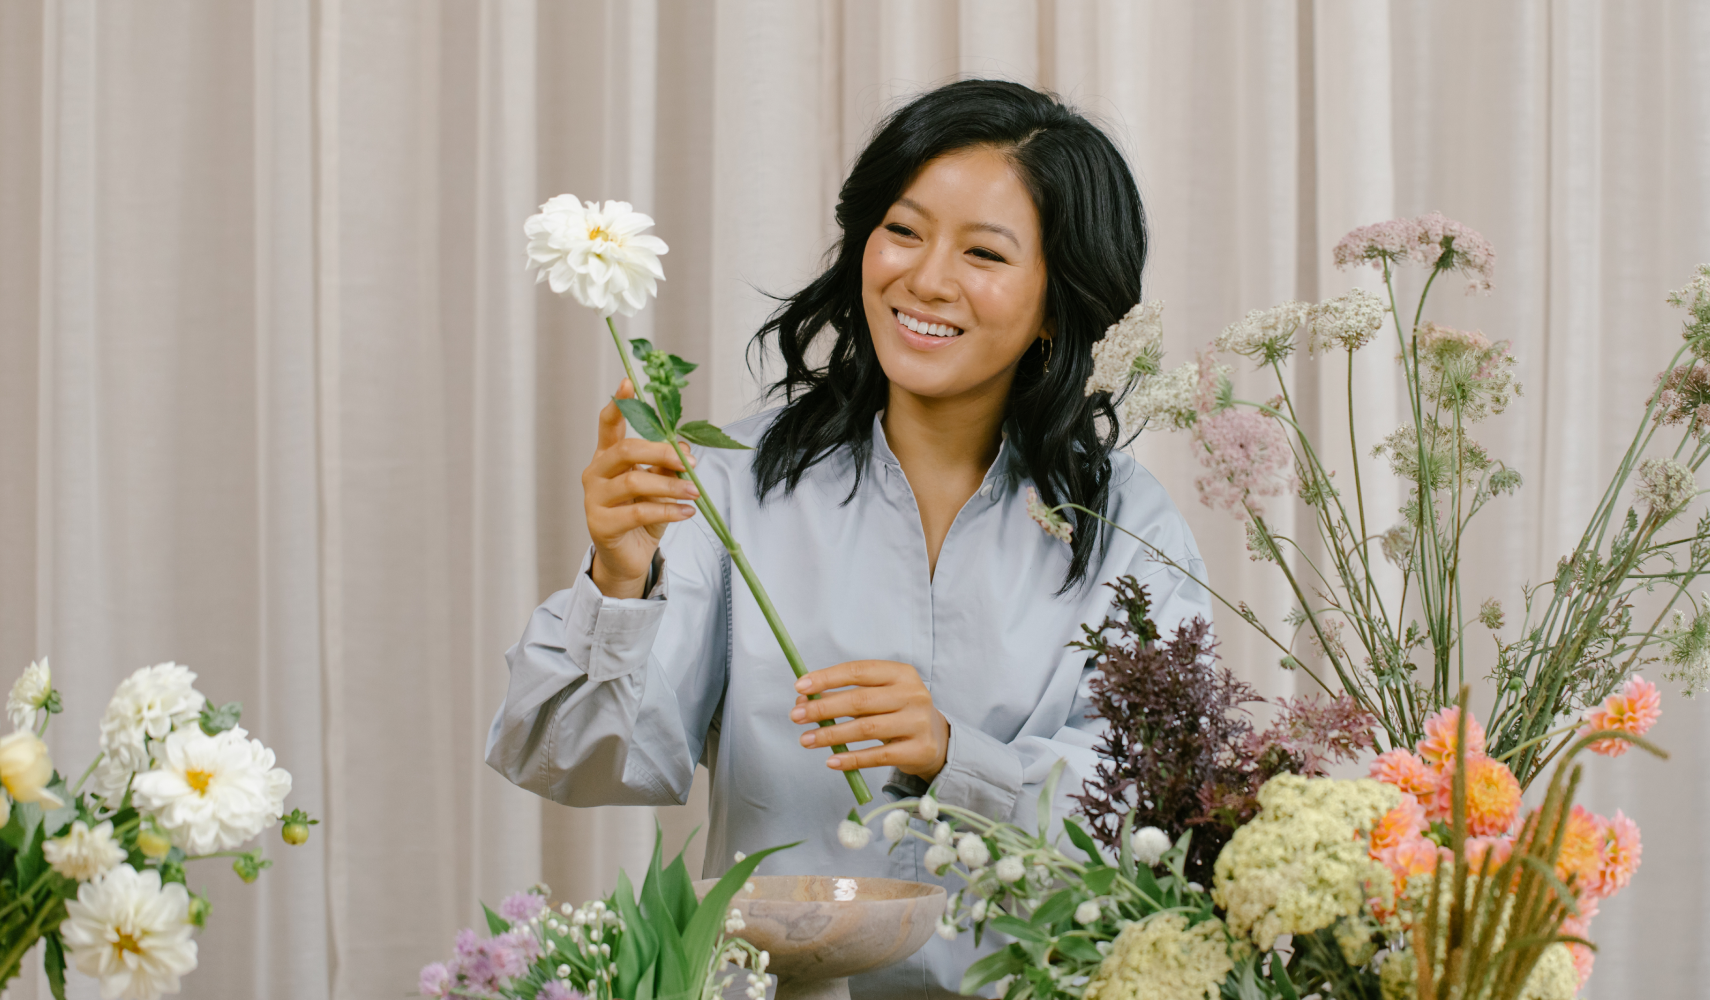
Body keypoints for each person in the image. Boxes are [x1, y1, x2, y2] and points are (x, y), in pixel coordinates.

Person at [487, 79, 1209, 999]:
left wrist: (956, 758)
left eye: (983, 252)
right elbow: (572, 761)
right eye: (903, 231)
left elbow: (1159, 814)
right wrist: (618, 579)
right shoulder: (731, 482)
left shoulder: (1127, 526)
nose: (926, 278)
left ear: (1058, 306)